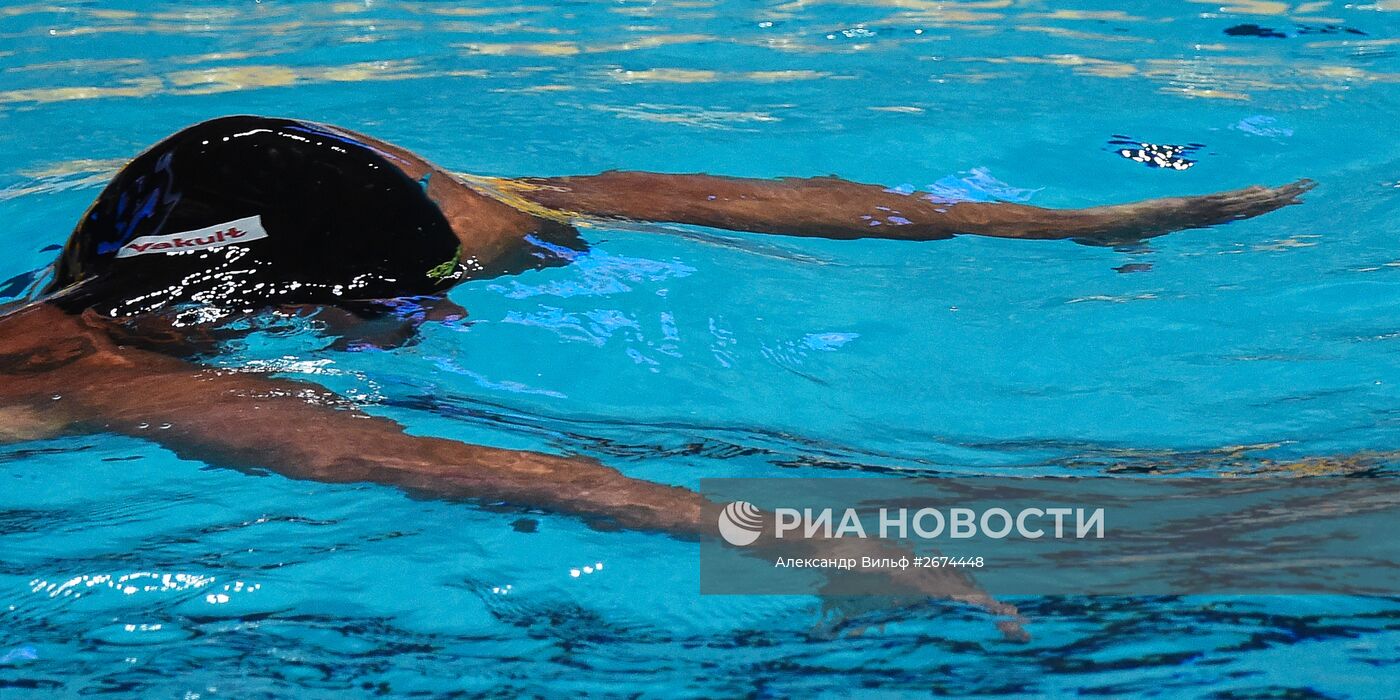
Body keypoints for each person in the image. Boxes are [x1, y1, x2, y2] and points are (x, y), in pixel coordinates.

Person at [0, 115, 1315, 635]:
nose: (411, 325)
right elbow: (441, 465)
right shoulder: (118, 380)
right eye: (397, 306)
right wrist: (777, 536)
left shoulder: (133, 279)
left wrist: (1080, 227)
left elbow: (723, 195)